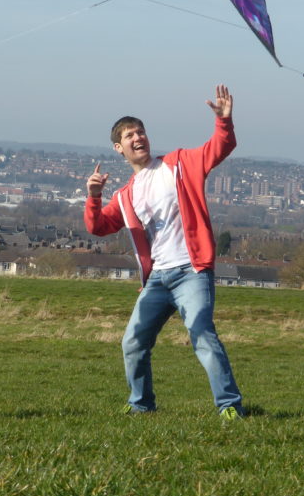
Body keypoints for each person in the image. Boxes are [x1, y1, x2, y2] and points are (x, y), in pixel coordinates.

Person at [85, 84, 245, 419]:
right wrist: (95, 197)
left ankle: (229, 406)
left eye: (141, 131)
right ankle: (141, 406)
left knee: (201, 332)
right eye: (129, 135)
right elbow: (98, 227)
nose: (138, 137)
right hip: (157, 279)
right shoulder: (126, 195)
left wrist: (223, 122)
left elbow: (220, 147)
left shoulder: (180, 163)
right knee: (132, 342)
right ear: (119, 147)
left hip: (192, 270)